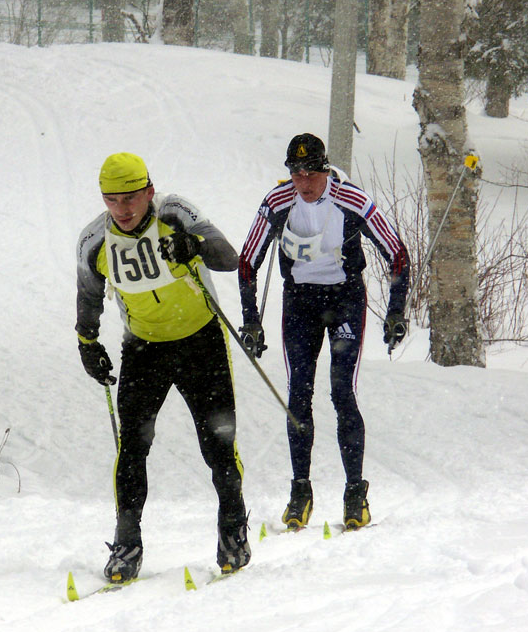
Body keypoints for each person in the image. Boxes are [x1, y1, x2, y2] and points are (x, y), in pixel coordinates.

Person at [76, 152, 250, 582]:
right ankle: (126, 545)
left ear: (149, 192)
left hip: (201, 342)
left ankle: (233, 532)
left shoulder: (175, 213)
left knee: (217, 446)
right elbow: (88, 295)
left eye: (132, 198)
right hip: (144, 349)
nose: (124, 209)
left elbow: (231, 258)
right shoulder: (94, 241)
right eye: (113, 200)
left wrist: (195, 245)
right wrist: (87, 343)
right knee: (132, 450)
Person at [238, 133, 409, 531]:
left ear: (325, 168)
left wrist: (396, 311)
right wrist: (251, 319)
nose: (304, 181)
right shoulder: (278, 202)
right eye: (296, 173)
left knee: (341, 391)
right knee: (299, 391)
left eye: (311, 172)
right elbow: (248, 261)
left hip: (345, 298)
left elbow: (397, 253)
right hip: (300, 302)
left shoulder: (352, 200)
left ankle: (355, 492)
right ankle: (301, 491)